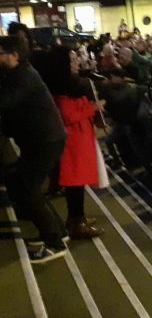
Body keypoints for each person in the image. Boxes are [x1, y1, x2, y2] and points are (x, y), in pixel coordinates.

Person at [0, 36, 68, 263]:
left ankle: (54, 242)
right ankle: (58, 232)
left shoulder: (24, 77)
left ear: (15, 55)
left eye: (1, 53)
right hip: (39, 140)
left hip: (45, 141)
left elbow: (4, 102)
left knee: (27, 189)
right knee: (27, 187)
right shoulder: (17, 74)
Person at [43, 46, 105, 239]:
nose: (76, 63)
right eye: (71, 61)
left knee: (77, 184)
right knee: (75, 184)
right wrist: (93, 108)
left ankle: (77, 218)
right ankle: (77, 222)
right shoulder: (60, 89)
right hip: (73, 142)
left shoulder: (69, 85)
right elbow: (67, 114)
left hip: (79, 139)